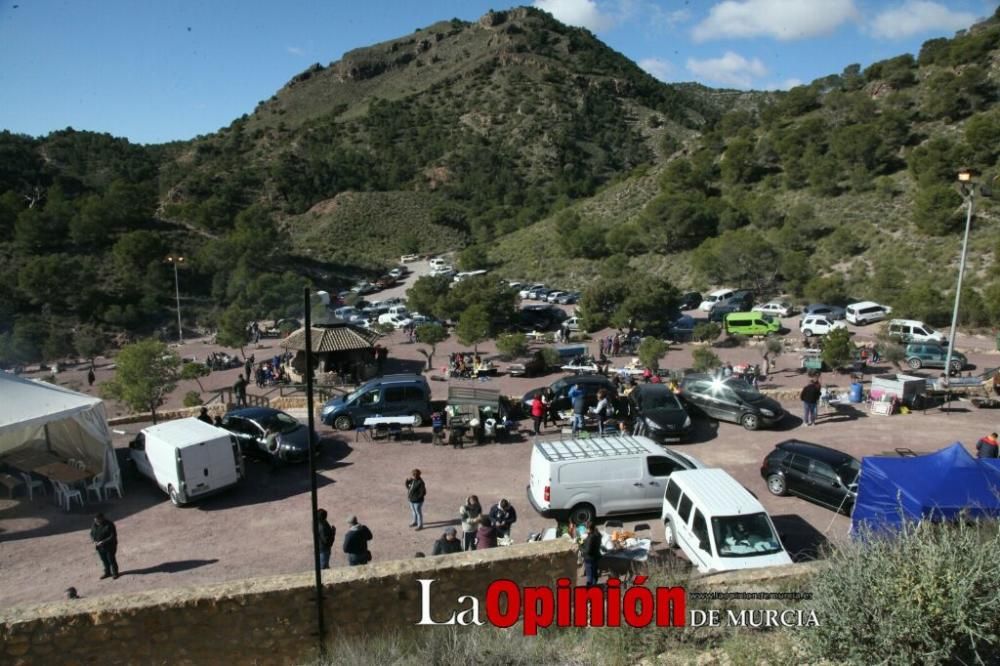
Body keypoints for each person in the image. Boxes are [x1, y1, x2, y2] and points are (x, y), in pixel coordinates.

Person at [90, 513, 119, 580]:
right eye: (95, 520)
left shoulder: (109, 524)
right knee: (104, 560)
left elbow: (112, 536)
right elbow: (91, 533)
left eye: (98, 520)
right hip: (99, 547)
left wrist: (103, 542)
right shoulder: (94, 525)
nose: (96, 521)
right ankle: (107, 572)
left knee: (111, 560)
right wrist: (93, 540)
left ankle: (115, 573)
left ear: (102, 518)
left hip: (110, 546)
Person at [580, 521, 603, 586]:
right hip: (596, 556)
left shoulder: (590, 538)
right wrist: (582, 541)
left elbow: (587, 550)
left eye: (585, 528)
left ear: (589, 529)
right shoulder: (598, 534)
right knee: (594, 573)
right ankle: (594, 585)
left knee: (590, 575)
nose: (584, 530)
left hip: (589, 558)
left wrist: (580, 546)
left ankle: (590, 589)